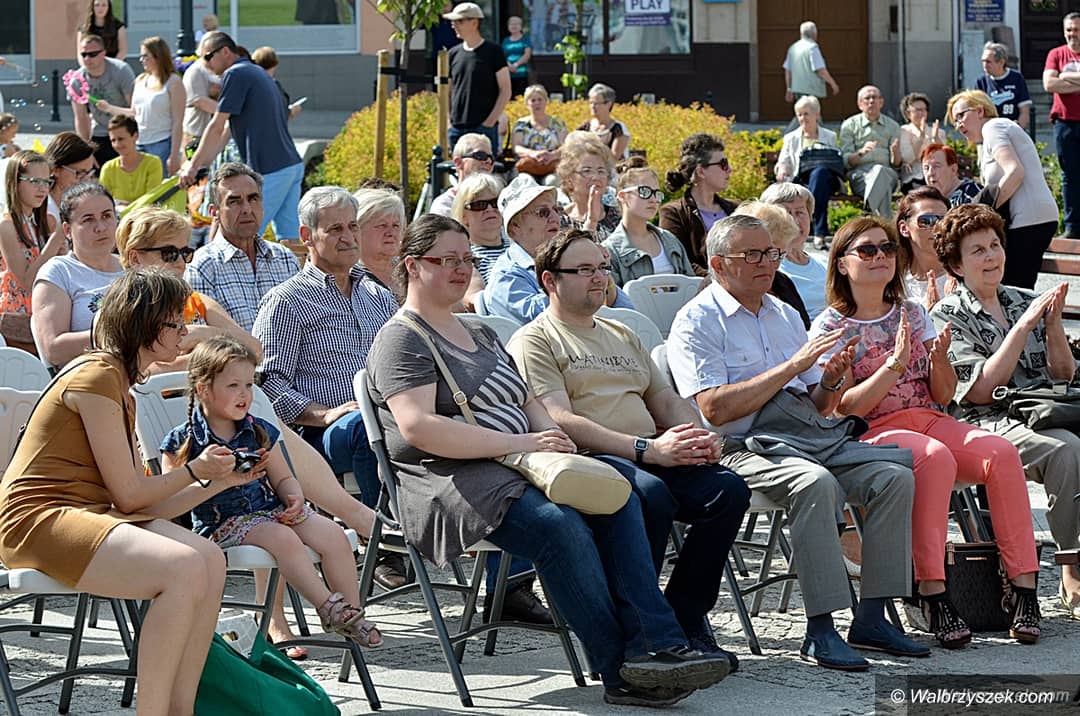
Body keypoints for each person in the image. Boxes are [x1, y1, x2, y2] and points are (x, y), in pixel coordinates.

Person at [367, 213, 732, 707]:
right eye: (446, 260)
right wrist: (521, 443)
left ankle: (657, 643)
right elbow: (419, 428)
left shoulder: (480, 333)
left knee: (619, 493)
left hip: (523, 461)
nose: (460, 269)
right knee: (560, 527)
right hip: (453, 477)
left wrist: (550, 437)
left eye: (466, 259)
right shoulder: (402, 338)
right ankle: (621, 668)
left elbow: (528, 401)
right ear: (412, 266)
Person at [667, 213, 922, 671]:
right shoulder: (697, 320)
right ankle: (820, 629)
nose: (767, 264)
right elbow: (715, 409)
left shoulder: (782, 313)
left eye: (771, 253)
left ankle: (872, 617)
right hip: (739, 446)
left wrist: (831, 379)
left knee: (893, 477)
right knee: (815, 483)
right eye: (752, 255)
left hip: (803, 435)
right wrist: (790, 367)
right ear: (719, 264)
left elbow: (819, 406)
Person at [0, 268, 251, 715]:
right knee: (182, 568)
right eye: (175, 323)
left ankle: (182, 709)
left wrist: (219, 480)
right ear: (144, 326)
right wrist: (194, 470)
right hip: (36, 519)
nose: (184, 333)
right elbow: (133, 497)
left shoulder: (119, 383)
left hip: (88, 512)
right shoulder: (97, 375)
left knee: (210, 559)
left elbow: (143, 499)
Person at [508, 228, 751, 662]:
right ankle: (641, 625)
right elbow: (560, 419)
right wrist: (645, 449)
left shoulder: (621, 331)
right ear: (549, 280)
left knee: (727, 491)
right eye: (584, 269)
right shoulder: (536, 339)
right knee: (650, 493)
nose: (599, 277)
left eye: (603, 267)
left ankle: (685, 615)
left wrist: (699, 436)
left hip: (650, 452)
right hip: (593, 461)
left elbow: (665, 398)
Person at [810, 214, 1041, 648]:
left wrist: (939, 361)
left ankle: (1023, 588)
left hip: (931, 419)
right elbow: (844, 408)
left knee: (1001, 452)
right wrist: (894, 365)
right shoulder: (831, 326)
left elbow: (944, 393)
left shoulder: (913, 312)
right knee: (934, 459)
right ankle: (932, 590)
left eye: (886, 248)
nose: (880, 256)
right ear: (841, 263)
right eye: (867, 250)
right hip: (872, 431)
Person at [161, 336, 382, 650]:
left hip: (271, 511)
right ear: (204, 389)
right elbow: (172, 500)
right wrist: (217, 479)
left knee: (333, 535)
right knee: (283, 538)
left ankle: (352, 614)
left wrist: (294, 496)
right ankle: (329, 608)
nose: (244, 394)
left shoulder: (257, 429)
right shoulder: (183, 441)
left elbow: (283, 477)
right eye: (234, 386)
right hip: (224, 523)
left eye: (249, 385)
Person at [253, 186, 408, 591]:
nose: (348, 237)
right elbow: (267, 385)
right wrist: (323, 413)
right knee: (362, 426)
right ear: (307, 236)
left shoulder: (378, 296)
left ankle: (435, 527)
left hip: (386, 417)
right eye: (335, 229)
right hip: (318, 435)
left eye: (353, 227)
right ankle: (382, 543)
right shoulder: (287, 301)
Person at [930, 203, 1080, 616]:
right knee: (1066, 450)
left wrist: (1052, 326)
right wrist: (1022, 327)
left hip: (1044, 410)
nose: (992, 256)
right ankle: (1071, 568)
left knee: (1068, 444)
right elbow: (980, 391)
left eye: (995, 245)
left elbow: (1063, 374)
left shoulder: (1022, 299)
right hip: (986, 421)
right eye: (978, 250)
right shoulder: (948, 314)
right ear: (957, 266)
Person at [178, 32, 304, 242]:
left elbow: (216, 126)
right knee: (289, 241)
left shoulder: (235, 74)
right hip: (291, 165)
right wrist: (201, 165)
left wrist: (192, 167)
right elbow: (226, 132)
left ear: (225, 52)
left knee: (238, 237)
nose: (205, 65)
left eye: (207, 57)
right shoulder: (254, 71)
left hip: (270, 169)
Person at [114, 206, 261, 369]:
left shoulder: (197, 301)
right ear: (135, 258)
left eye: (184, 253)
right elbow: (127, 372)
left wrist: (204, 333)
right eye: (169, 253)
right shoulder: (121, 309)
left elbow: (255, 350)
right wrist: (203, 358)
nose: (181, 263)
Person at [946, 89, 1058, 290]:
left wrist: (982, 213)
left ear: (980, 111)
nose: (958, 124)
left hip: (1028, 220)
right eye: (955, 121)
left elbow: (1015, 172)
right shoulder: (989, 136)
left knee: (1012, 290)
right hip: (1031, 218)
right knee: (1010, 288)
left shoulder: (993, 127)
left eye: (961, 115)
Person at [487, 174, 631, 323]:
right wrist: (579, 277)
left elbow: (629, 314)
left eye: (556, 210)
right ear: (515, 227)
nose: (555, 218)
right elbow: (540, 320)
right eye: (543, 212)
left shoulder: (568, 259)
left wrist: (602, 274)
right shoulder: (506, 275)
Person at [185, 163, 300, 332]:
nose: (246, 209)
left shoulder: (285, 259)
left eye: (253, 199)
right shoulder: (201, 268)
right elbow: (201, 338)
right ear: (214, 212)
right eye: (234, 201)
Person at [32, 183, 124, 368]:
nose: (100, 227)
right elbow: (54, 350)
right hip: (91, 375)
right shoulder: (59, 272)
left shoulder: (131, 267)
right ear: (67, 230)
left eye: (107, 216)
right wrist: (123, 336)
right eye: (88, 220)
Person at [94, 37, 184, 177]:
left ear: (158, 56)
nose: (141, 60)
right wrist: (108, 108)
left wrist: (174, 154)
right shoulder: (140, 80)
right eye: (141, 56)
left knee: (159, 185)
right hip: (138, 142)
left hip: (161, 143)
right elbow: (134, 113)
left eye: (145, 56)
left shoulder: (173, 82)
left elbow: (178, 121)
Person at [0, 151, 64, 351]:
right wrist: (56, 241)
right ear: (15, 183)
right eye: (34, 181)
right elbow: (26, 281)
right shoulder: (6, 226)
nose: (42, 189)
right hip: (15, 318)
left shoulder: (43, 222)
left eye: (47, 181)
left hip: (44, 312)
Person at [603, 163, 693, 287]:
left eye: (657, 193)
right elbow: (613, 295)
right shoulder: (610, 250)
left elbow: (691, 285)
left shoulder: (670, 240)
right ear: (622, 196)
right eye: (645, 191)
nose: (653, 200)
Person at [661, 133, 736, 274]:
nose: (730, 169)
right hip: (702, 285)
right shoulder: (673, 213)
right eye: (723, 164)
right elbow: (680, 261)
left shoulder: (736, 209)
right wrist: (718, 280)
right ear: (701, 171)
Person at [732, 201, 812, 329]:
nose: (773, 265)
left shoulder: (782, 282)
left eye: (778, 255)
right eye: (757, 254)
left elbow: (804, 327)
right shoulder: (723, 291)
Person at [444, 2, 511, 153]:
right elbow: (447, 91)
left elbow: (505, 90)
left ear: (474, 22)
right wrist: (449, 122)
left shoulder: (493, 51)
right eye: (453, 21)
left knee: (484, 168)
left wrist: (489, 122)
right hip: (456, 129)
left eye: (459, 21)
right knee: (458, 167)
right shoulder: (453, 54)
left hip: (483, 129)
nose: (454, 25)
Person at [774, 95, 839, 244]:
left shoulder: (830, 136)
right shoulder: (791, 138)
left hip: (827, 180)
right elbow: (784, 160)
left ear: (817, 114)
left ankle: (812, 227)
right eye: (799, 114)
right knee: (816, 182)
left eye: (806, 114)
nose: (803, 118)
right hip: (801, 181)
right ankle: (819, 231)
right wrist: (782, 169)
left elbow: (834, 161)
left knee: (820, 174)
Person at [760, 182, 828, 320]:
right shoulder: (767, 267)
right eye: (784, 213)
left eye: (800, 212)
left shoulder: (825, 262)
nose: (794, 221)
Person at [71, 33, 135, 167]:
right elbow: (81, 117)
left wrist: (109, 108)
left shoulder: (121, 71)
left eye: (92, 54)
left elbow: (134, 110)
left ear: (103, 53)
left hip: (125, 130)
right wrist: (86, 150)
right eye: (84, 54)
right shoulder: (77, 80)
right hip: (100, 132)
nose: (87, 59)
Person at [839, 85, 902, 219]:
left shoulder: (893, 126)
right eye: (867, 98)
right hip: (860, 176)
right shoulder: (849, 125)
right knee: (882, 190)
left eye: (875, 97)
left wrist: (895, 152)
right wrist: (861, 152)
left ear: (881, 102)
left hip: (888, 173)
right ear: (860, 104)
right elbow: (846, 161)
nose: (871, 101)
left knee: (880, 171)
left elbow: (896, 164)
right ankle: (885, 224)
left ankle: (869, 210)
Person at [1045, 12, 1080, 238]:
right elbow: (1049, 84)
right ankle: (1072, 227)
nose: (1072, 34)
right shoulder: (1056, 54)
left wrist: (1065, 78)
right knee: (1069, 175)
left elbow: (1058, 82)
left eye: (1076, 30)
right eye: (1069, 30)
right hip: (1065, 123)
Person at [894, 186, 952, 308]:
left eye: (944, 221)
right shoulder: (893, 281)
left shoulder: (965, 274)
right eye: (926, 221)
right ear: (904, 228)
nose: (938, 228)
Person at [557, 133, 621, 240]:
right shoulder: (558, 220)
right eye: (587, 171)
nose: (595, 177)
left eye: (601, 171)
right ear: (569, 178)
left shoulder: (619, 217)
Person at [450, 171, 508, 283]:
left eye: (496, 202)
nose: (490, 209)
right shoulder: (463, 259)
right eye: (480, 205)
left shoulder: (520, 248)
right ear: (464, 215)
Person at [98, 116, 163, 207]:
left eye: (121, 139)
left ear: (135, 136)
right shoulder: (107, 168)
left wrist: (122, 204)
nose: (117, 144)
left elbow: (151, 200)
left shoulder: (153, 163)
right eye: (113, 140)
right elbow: (104, 202)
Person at [429, 132, 495, 217]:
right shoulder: (445, 205)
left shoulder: (498, 201)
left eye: (491, 158)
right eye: (481, 155)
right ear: (459, 163)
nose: (488, 161)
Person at [511, 84, 567, 183]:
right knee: (526, 181)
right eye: (533, 100)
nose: (537, 103)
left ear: (546, 101)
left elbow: (565, 146)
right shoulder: (521, 124)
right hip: (527, 167)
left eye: (540, 100)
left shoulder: (557, 123)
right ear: (527, 104)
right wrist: (534, 154)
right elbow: (517, 147)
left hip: (552, 167)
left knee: (552, 181)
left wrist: (551, 156)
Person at [353, 188, 406, 290]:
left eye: (395, 225)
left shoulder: (410, 269)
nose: (391, 233)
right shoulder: (348, 278)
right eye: (382, 225)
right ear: (358, 229)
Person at [43, 132, 99, 226]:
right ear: (56, 169)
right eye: (79, 173)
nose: (86, 181)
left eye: (89, 173)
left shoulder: (85, 203)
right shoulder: (45, 209)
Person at [782, 21, 840, 111]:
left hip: (797, 89)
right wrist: (833, 84)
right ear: (815, 34)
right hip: (812, 90)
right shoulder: (812, 48)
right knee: (813, 114)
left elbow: (788, 71)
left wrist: (789, 88)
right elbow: (820, 70)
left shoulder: (793, 48)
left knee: (802, 113)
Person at [897, 92, 946, 194]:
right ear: (908, 114)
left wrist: (936, 139)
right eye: (917, 110)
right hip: (914, 177)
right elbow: (908, 158)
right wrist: (921, 138)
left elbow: (945, 158)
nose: (921, 113)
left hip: (938, 176)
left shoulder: (938, 132)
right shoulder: (904, 131)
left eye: (924, 110)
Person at [977, 42, 1032, 130]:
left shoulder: (1016, 78)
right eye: (983, 61)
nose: (984, 65)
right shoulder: (981, 82)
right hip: (990, 131)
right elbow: (977, 113)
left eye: (988, 61)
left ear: (1001, 62)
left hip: (1012, 128)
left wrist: (1017, 131)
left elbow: (1024, 111)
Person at [182, 35, 222, 149]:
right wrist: (228, 113)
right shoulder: (195, 71)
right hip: (197, 134)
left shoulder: (220, 70)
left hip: (215, 134)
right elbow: (199, 101)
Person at [577, 83, 630, 160]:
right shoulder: (585, 127)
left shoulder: (618, 128)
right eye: (591, 103)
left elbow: (614, 158)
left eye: (596, 103)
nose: (592, 106)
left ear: (608, 104)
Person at [920, 143, 982, 208]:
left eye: (937, 166)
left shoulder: (972, 194)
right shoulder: (924, 202)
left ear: (953, 169)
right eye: (926, 168)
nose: (930, 173)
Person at [251, 47, 302, 121]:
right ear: (275, 64)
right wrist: (292, 111)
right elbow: (281, 115)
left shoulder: (250, 84)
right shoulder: (273, 86)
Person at [502, 16, 532, 99]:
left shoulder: (525, 39)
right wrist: (509, 65)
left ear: (521, 26)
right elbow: (502, 55)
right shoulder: (505, 40)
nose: (513, 26)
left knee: (520, 96)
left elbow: (527, 55)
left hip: (521, 72)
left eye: (516, 24)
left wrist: (516, 65)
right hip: (508, 73)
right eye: (511, 24)